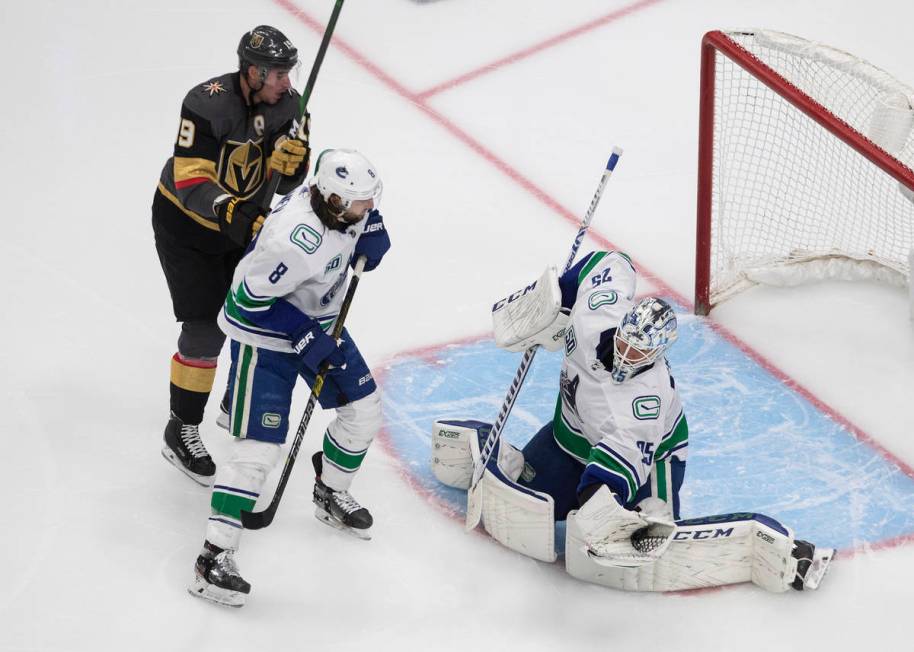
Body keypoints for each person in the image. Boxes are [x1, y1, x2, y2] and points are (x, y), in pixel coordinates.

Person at [432, 250, 833, 593]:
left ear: (657, 354)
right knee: (537, 499)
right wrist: (557, 299)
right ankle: (505, 454)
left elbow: (613, 470)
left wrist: (601, 512)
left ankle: (776, 550)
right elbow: (611, 262)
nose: (626, 357)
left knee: (647, 524)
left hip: (650, 459)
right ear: (621, 326)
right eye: (625, 343)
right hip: (568, 437)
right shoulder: (596, 315)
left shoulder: (644, 403)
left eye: (639, 354)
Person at [187, 149, 390, 608]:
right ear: (333, 200)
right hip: (267, 337)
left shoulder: (341, 204)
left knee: (363, 410)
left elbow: (354, 214)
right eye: (361, 205)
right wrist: (300, 333)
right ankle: (213, 557)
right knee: (257, 451)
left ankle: (329, 491)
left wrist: (368, 233)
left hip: (320, 323)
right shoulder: (291, 241)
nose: (369, 209)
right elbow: (241, 305)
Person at [153, 25, 311, 486]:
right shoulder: (205, 102)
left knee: (252, 315)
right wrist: (234, 212)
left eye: (289, 72)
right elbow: (191, 180)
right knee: (204, 332)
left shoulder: (293, 105)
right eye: (279, 74)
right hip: (187, 228)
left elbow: (294, 177)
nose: (287, 82)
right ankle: (180, 429)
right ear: (253, 71)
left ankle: (234, 400)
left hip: (243, 227)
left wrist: (293, 163)